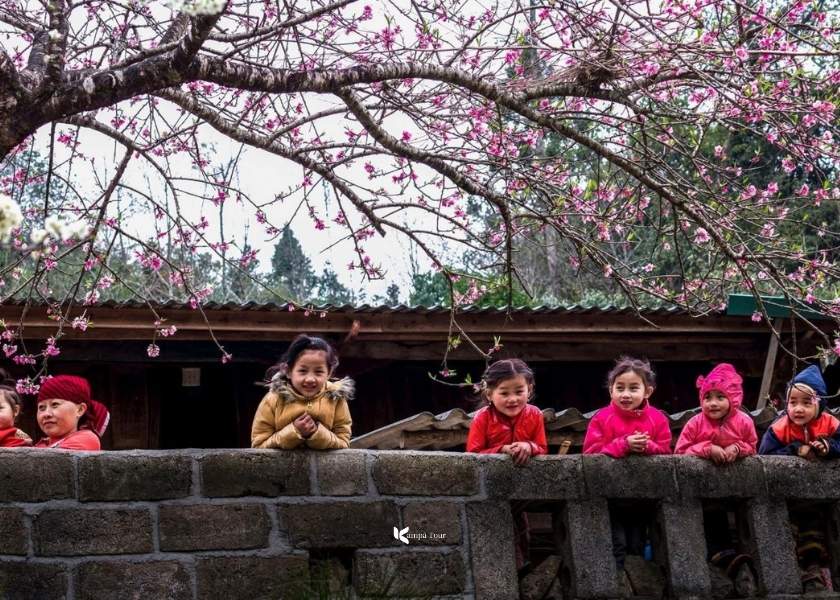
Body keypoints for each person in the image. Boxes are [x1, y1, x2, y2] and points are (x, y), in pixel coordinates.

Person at [675, 363, 758, 596]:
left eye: (720, 397)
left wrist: (737, 448)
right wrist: (707, 449)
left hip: (733, 490)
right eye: (707, 397)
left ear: (733, 398)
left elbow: (752, 446)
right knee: (709, 522)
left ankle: (732, 562)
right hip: (701, 490)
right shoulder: (695, 423)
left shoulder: (743, 422)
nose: (712, 403)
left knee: (731, 523)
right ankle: (719, 559)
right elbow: (680, 451)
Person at [583, 357, 671, 574]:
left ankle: (638, 587)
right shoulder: (601, 419)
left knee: (637, 545)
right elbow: (591, 453)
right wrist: (623, 444)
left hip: (643, 497)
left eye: (633, 388)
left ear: (647, 391)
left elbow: (667, 453)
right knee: (617, 545)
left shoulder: (658, 419)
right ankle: (619, 585)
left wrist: (647, 446)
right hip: (611, 498)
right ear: (610, 390)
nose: (626, 394)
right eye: (619, 388)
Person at [759, 365, 838, 592]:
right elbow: (764, 457)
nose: (798, 409)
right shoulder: (779, 428)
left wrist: (828, 446)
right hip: (786, 497)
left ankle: (815, 571)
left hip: (817, 499)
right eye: (792, 403)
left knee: (814, 534)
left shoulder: (830, 424)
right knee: (789, 534)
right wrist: (795, 449)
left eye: (806, 402)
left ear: (820, 403)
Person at [466, 358, 547, 572]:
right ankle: (513, 568)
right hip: (491, 487)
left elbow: (542, 447)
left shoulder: (535, 415)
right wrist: (501, 450)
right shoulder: (482, 419)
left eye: (519, 391)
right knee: (504, 528)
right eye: (504, 393)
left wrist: (529, 446)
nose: (512, 399)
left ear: (529, 390)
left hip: (521, 486)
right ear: (489, 393)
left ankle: (524, 567)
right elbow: (472, 454)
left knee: (521, 528)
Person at [251, 334, 353, 449]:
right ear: (288, 371)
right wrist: (294, 432)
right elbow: (258, 445)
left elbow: (343, 443)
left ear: (329, 373)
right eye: (303, 371)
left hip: (321, 467)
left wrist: (317, 434)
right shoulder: (273, 399)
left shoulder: (336, 398)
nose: (310, 379)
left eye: (318, 372)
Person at [34, 375, 109, 450]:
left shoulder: (85, 439)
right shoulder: (43, 444)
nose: (46, 414)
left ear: (80, 410)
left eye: (55, 404)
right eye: (41, 407)